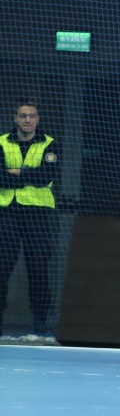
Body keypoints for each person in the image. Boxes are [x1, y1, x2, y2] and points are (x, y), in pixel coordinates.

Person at [0, 98, 60, 340]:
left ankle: (40, 327)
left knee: (38, 269)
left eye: (31, 116)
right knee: (2, 268)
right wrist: (28, 176)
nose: (27, 120)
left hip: (38, 214)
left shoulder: (50, 143)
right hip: (7, 213)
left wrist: (17, 173)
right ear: (15, 118)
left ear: (37, 119)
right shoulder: (2, 142)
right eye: (23, 115)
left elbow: (46, 176)